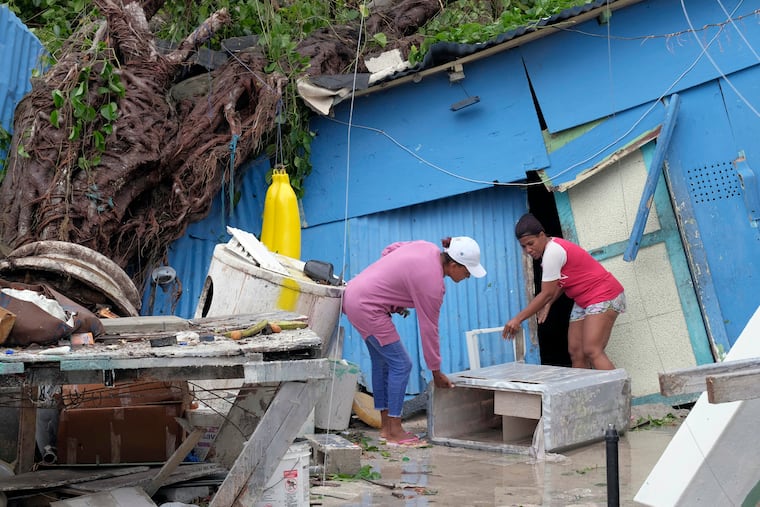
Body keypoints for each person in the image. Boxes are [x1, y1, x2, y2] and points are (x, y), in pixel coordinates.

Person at [342, 236, 486, 445]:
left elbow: (389, 250)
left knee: (383, 363)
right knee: (401, 364)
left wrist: (393, 296)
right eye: (467, 271)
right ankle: (395, 430)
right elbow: (429, 330)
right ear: (454, 265)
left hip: (354, 295)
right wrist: (436, 372)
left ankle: (386, 428)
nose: (468, 276)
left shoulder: (425, 247)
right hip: (368, 308)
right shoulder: (433, 285)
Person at [502, 213, 625, 370]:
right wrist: (548, 303)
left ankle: (618, 394)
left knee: (592, 350)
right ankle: (582, 393)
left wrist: (517, 319)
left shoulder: (553, 252)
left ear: (541, 235)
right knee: (576, 352)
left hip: (604, 295)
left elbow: (546, 293)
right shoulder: (549, 252)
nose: (528, 250)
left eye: (530, 243)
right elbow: (559, 283)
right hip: (584, 300)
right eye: (523, 246)